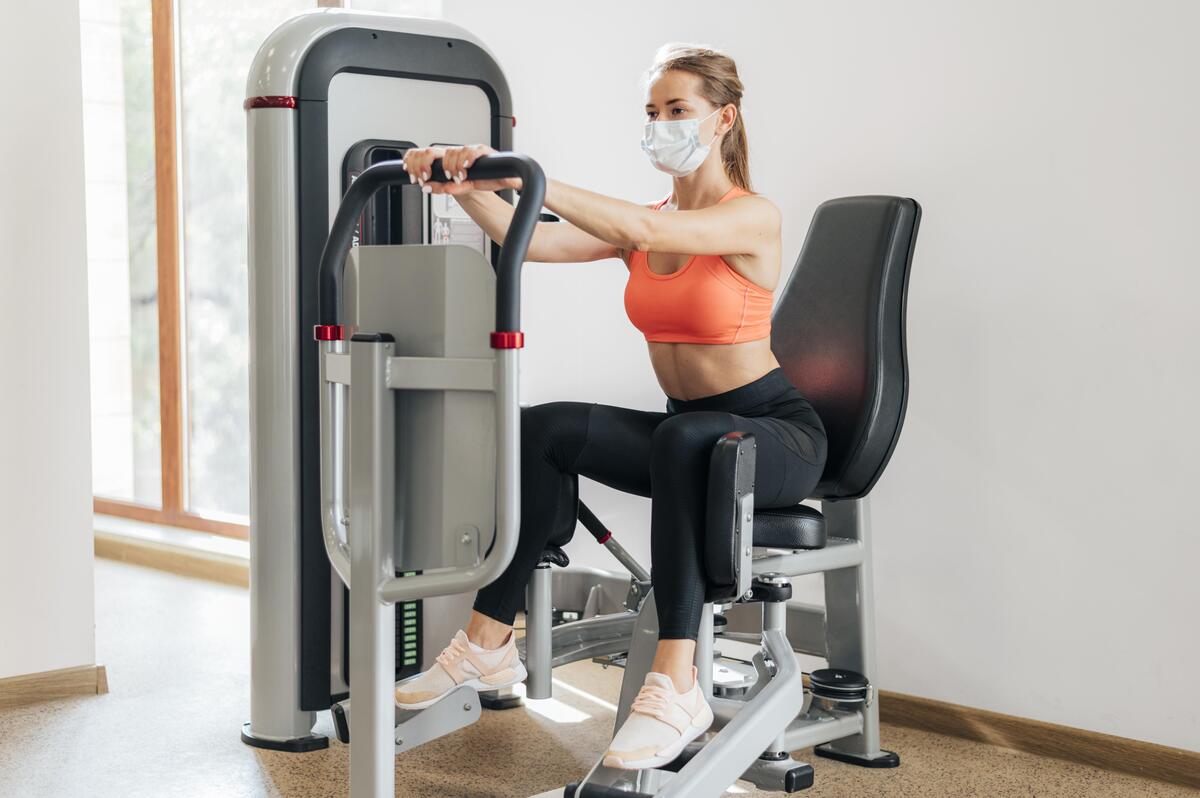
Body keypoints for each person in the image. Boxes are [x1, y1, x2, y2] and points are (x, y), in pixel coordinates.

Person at [396, 42, 828, 771]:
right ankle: (487, 642)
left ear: (722, 119)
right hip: (689, 434)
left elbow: (647, 232)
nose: (661, 124)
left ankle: (676, 684)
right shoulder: (648, 220)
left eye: (678, 110)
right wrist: (459, 181)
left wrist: (519, 169)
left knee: (688, 438)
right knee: (546, 429)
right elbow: (521, 236)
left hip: (773, 435)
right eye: (652, 112)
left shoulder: (750, 217)